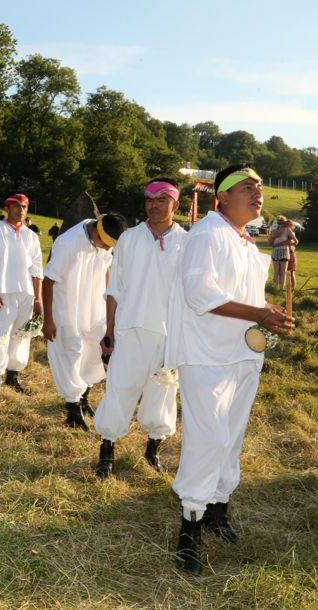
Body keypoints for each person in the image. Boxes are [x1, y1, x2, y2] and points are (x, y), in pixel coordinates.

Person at [166, 165, 294, 575]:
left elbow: (247, 302)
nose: (258, 195)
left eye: (259, 188)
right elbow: (200, 292)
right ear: (221, 197)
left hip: (242, 354)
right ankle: (190, 527)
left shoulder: (246, 242)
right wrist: (259, 311)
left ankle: (219, 509)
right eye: (247, 188)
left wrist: (269, 318)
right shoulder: (208, 233)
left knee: (231, 438)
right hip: (206, 355)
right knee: (209, 438)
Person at [93, 179, 187, 478]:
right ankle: (107, 452)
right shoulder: (130, 239)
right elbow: (115, 289)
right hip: (130, 329)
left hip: (168, 334)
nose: (153, 205)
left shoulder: (188, 243)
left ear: (175, 204)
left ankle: (152, 451)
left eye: (161, 199)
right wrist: (109, 330)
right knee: (120, 389)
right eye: (149, 199)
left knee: (162, 393)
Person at [42, 213, 127, 430]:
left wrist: (109, 306)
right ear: (96, 232)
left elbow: (107, 270)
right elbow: (49, 280)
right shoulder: (68, 243)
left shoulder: (105, 244)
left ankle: (84, 397)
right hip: (67, 308)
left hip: (94, 305)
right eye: (105, 244)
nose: (108, 250)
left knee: (92, 352)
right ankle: (72, 408)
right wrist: (48, 319)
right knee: (72, 352)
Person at [0, 193, 43, 393]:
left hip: (26, 292)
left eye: (24, 206)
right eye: (16, 206)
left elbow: (37, 269)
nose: (21, 210)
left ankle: (13, 374)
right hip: (3, 290)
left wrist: (38, 298)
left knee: (21, 334)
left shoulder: (31, 235)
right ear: (7, 208)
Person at [268, 215, 298, 289]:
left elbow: (270, 243)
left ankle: (274, 288)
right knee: (282, 272)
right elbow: (296, 241)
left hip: (276, 251)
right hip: (283, 251)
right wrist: (287, 242)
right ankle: (280, 289)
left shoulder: (273, 230)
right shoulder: (286, 229)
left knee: (277, 272)